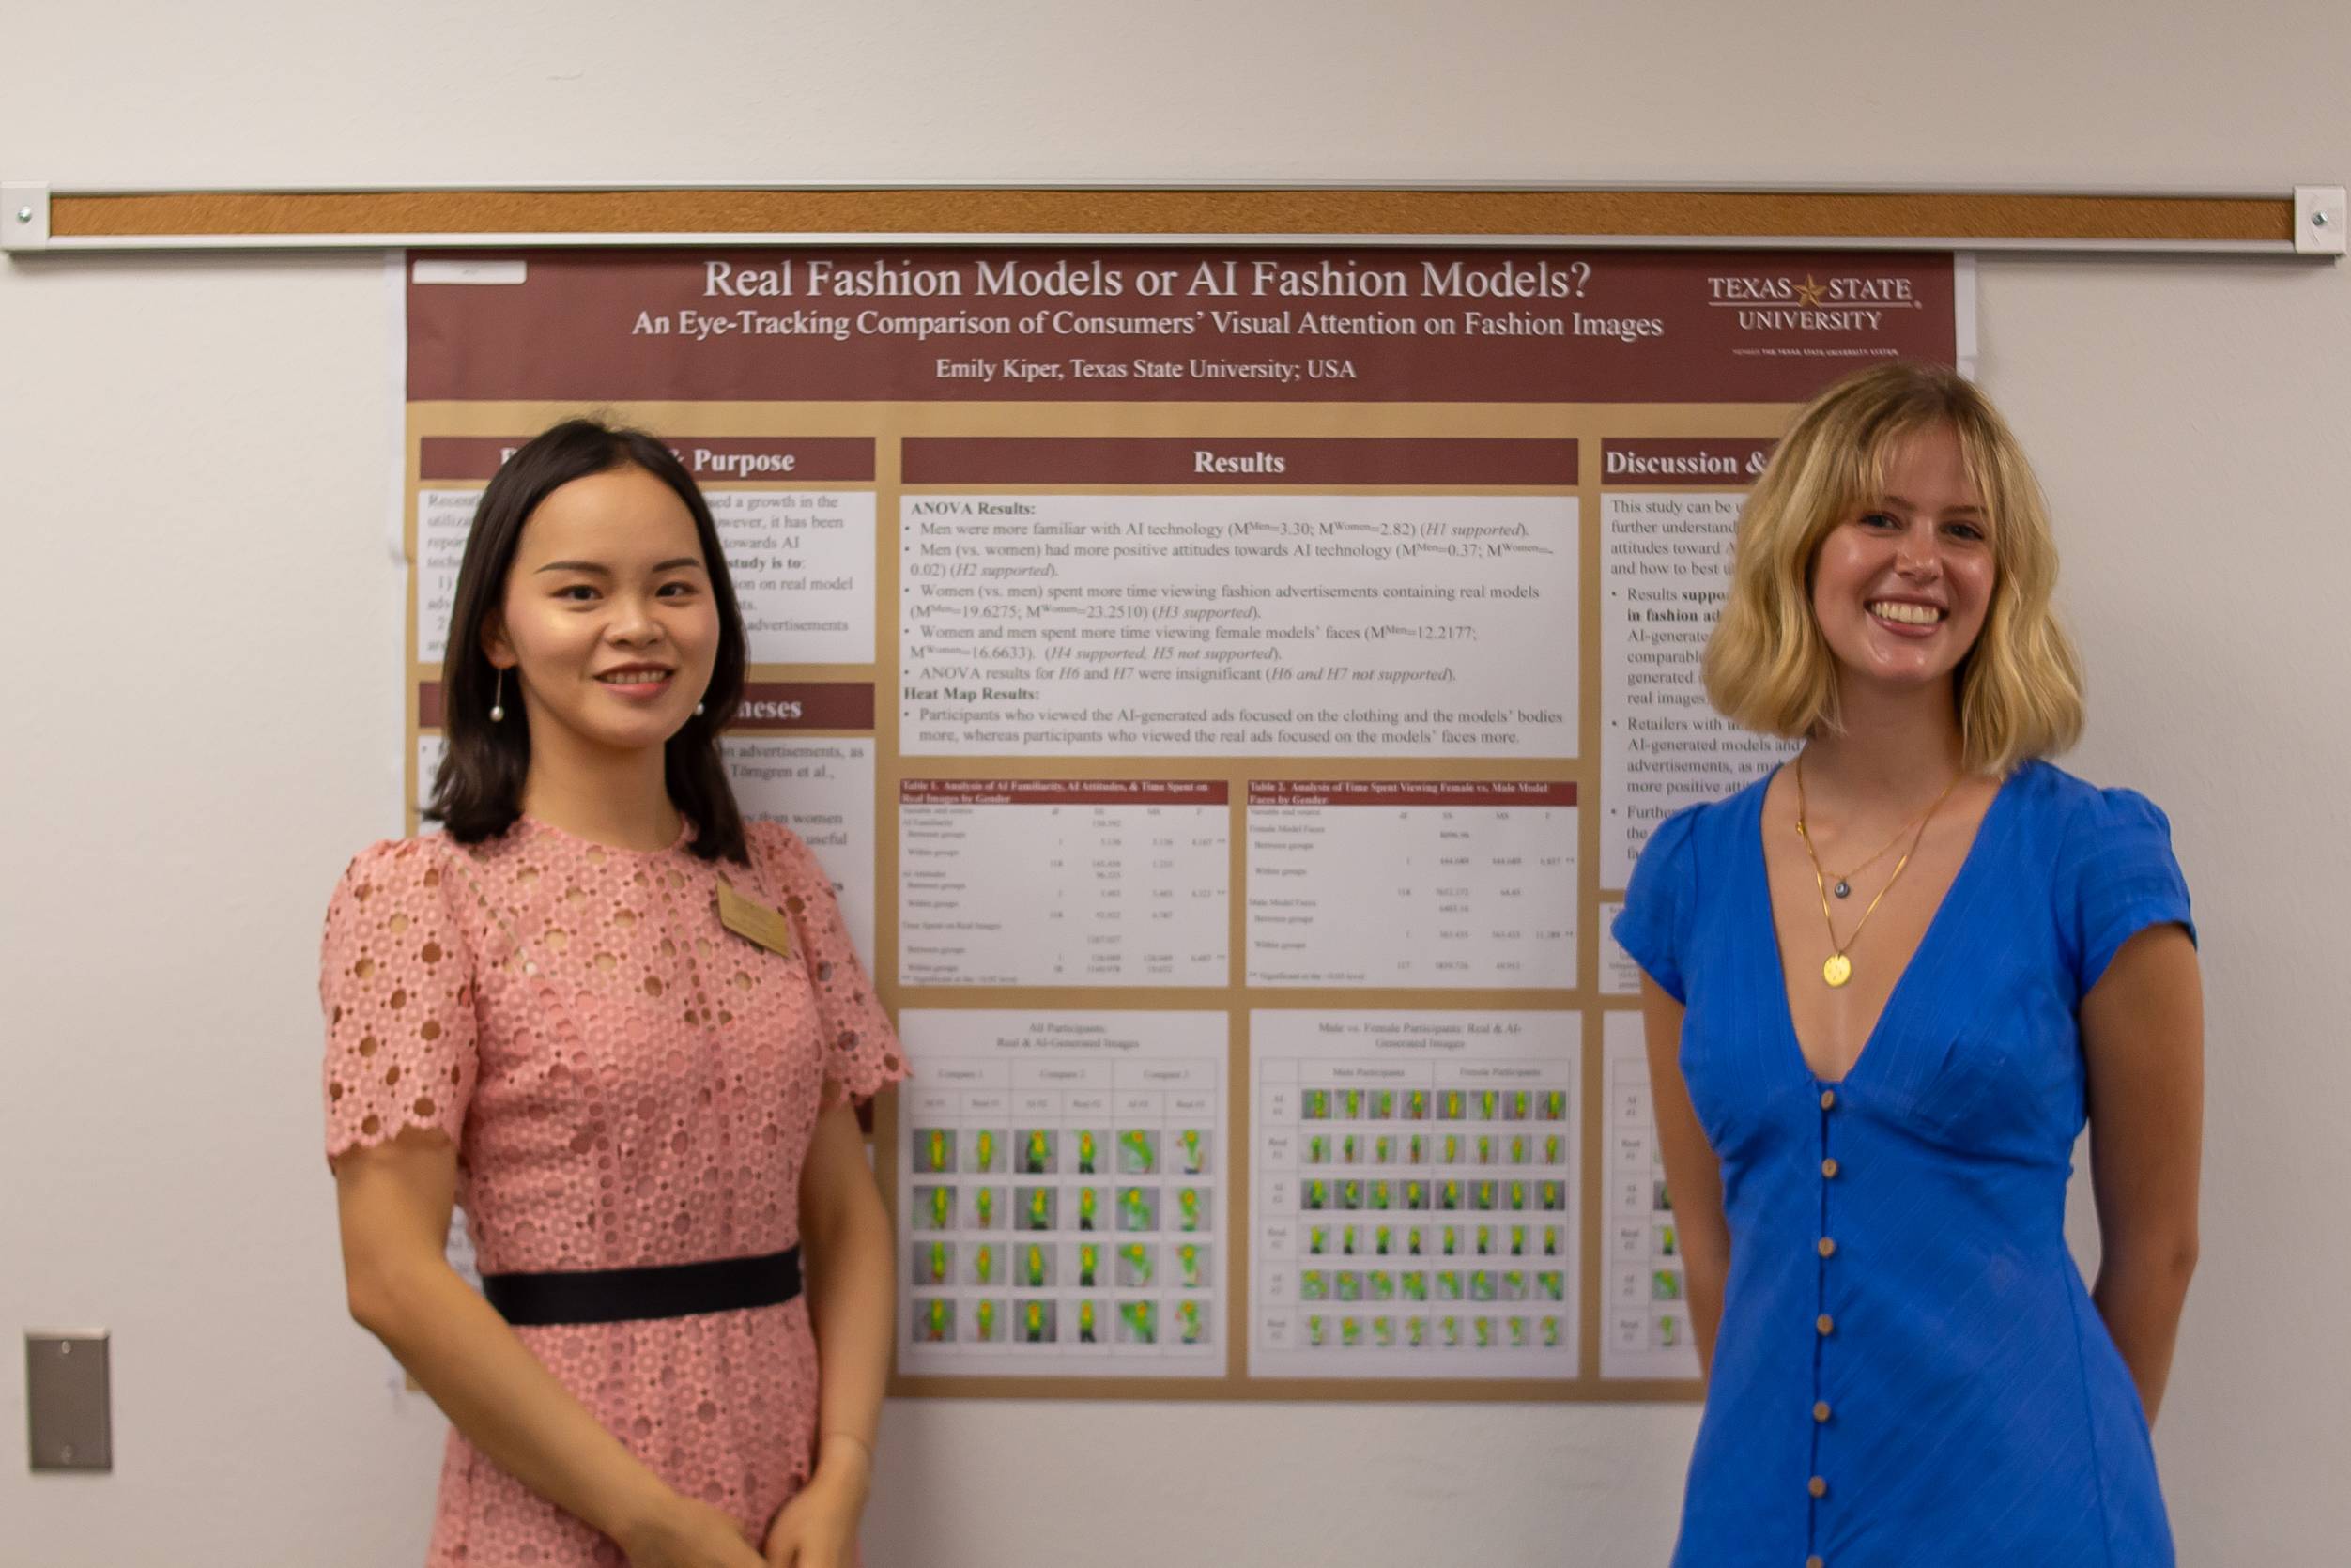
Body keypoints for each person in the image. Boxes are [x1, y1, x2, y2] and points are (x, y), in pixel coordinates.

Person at [1612, 362, 2202, 1567]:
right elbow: (1711, 1246)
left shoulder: (2089, 856)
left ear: (2003, 573)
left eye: (1962, 529)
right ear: (1799, 547)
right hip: (1757, 1516)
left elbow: (2158, 1248)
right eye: (1878, 516)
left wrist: (2057, 1470)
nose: (1919, 559)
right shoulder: (1686, 878)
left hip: (2030, 1517)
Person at [320, 419, 903, 1568]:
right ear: (498, 628)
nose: (637, 625)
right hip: (562, 1503)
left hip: (786, 1506)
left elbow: (841, 1211)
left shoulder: (775, 878)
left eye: (673, 587)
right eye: (581, 590)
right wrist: (653, 1523)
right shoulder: (420, 897)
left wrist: (843, 1472)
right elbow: (389, 1275)